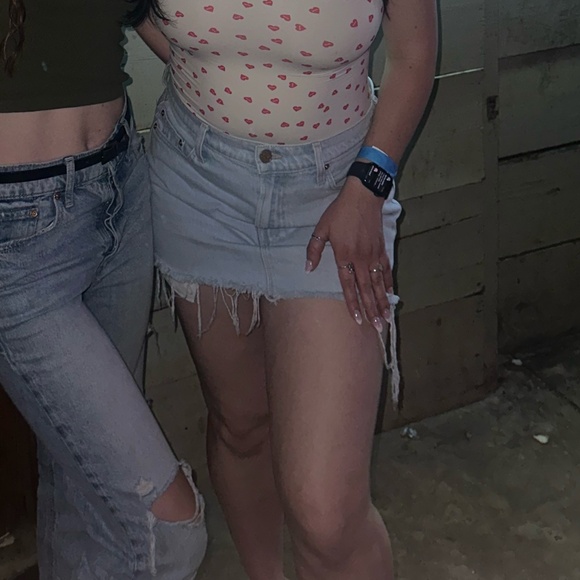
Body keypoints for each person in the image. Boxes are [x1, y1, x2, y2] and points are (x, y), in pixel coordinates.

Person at [141, 0, 437, 578]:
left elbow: (414, 53)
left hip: (339, 190)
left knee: (328, 513)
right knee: (240, 425)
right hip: (198, 184)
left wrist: (369, 184)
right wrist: (208, 65)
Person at [0, 1, 207, 577]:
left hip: (120, 185)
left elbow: (148, 23)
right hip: (17, 237)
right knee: (169, 531)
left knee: (84, 487)